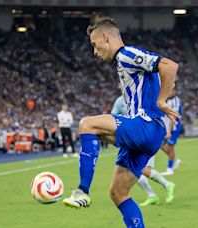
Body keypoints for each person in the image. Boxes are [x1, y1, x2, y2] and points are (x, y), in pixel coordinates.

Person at [62, 17, 179, 228]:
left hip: (146, 125)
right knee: (118, 193)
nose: (94, 52)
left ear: (105, 38)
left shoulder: (127, 54)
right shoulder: (122, 63)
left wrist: (161, 100)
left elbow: (169, 65)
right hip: (148, 134)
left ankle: (82, 191)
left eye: (94, 45)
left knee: (87, 124)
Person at [111, 94, 176, 206]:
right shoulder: (120, 101)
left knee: (142, 169)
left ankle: (167, 184)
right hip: (130, 140)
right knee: (131, 170)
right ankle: (152, 195)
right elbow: (113, 117)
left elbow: (158, 113)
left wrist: (165, 130)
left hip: (145, 138)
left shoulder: (142, 96)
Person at [160, 89, 183, 175]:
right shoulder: (169, 101)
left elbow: (173, 117)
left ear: (173, 91)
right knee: (161, 145)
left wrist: (168, 131)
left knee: (170, 147)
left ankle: (170, 169)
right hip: (168, 128)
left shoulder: (176, 101)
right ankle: (175, 160)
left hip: (174, 128)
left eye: (169, 92)